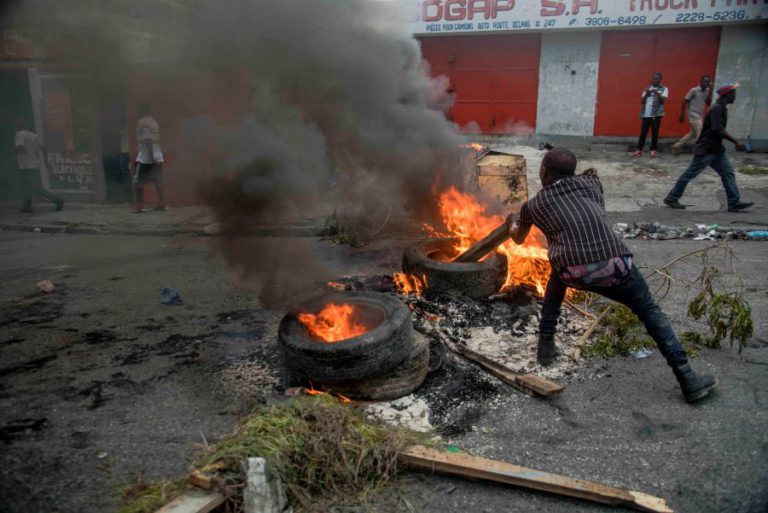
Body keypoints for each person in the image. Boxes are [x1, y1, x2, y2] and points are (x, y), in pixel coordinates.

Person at [507, 148, 716, 403]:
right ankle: (688, 379)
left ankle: (546, 347)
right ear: (573, 172)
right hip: (616, 266)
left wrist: (512, 222)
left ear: (544, 173)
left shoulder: (533, 206)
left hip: (573, 273)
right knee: (649, 310)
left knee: (557, 280)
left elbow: (518, 239)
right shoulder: (592, 185)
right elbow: (592, 194)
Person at [663, 83, 753, 212]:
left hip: (716, 150)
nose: (735, 96)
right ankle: (672, 198)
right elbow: (718, 129)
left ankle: (734, 202)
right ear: (727, 95)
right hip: (707, 149)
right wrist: (737, 142)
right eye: (733, 93)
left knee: (728, 173)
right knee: (689, 174)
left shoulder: (721, 108)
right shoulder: (717, 109)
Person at [13, 117, 64, 213]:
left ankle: (58, 200)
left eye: (16, 124)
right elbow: (43, 148)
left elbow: (20, 147)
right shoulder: (34, 135)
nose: (15, 126)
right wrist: (45, 162)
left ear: (20, 125)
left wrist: (7, 153)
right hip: (34, 165)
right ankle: (27, 207)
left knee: (36, 188)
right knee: (27, 187)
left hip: (26, 166)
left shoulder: (19, 134)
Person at [133, 103, 166, 213]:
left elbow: (147, 140)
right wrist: (155, 156)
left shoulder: (143, 123)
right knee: (158, 181)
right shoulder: (153, 122)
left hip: (145, 158)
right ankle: (162, 204)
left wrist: (151, 157)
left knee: (138, 182)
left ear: (141, 111)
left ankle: (140, 207)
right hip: (158, 156)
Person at [671, 75, 712, 156]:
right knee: (700, 134)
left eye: (708, 82)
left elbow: (708, 103)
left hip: (700, 115)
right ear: (700, 82)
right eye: (705, 81)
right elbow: (684, 101)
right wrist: (682, 114)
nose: (706, 83)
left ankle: (676, 146)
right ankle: (699, 151)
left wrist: (710, 91)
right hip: (693, 114)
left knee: (693, 134)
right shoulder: (694, 90)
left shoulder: (707, 90)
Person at [633, 72, 668, 158]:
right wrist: (646, 95)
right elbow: (642, 102)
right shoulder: (647, 88)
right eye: (653, 79)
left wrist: (656, 92)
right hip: (646, 114)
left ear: (660, 80)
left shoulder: (664, 89)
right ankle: (639, 150)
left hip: (656, 114)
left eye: (657, 79)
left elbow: (662, 101)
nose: (655, 80)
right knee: (643, 133)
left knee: (655, 133)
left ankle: (652, 150)